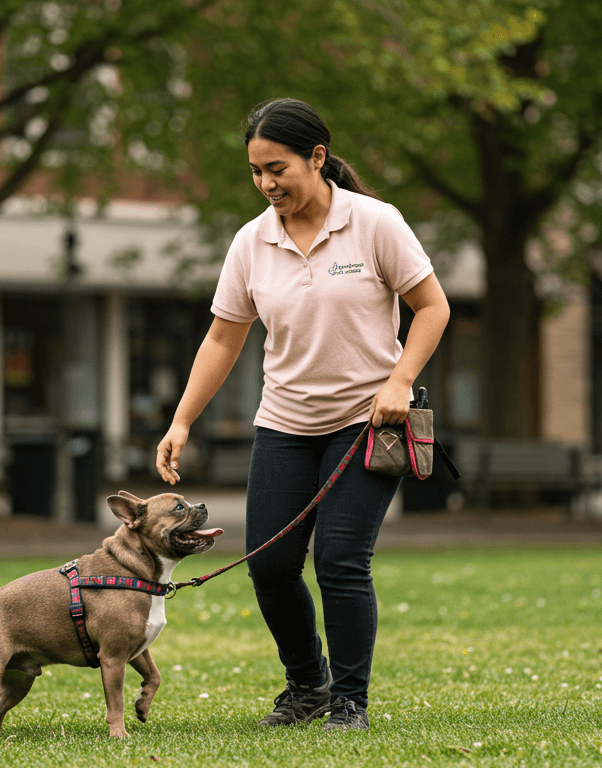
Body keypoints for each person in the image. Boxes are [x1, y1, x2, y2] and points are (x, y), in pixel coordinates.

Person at [154, 98, 450, 731]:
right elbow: (222, 338)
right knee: (271, 566)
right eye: (256, 171)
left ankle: (350, 700)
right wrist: (181, 421)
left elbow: (432, 307)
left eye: (277, 168)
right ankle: (307, 686)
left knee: (340, 561)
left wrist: (401, 381)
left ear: (318, 157)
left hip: (366, 422)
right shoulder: (252, 240)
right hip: (284, 423)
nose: (267, 184)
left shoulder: (374, 223)